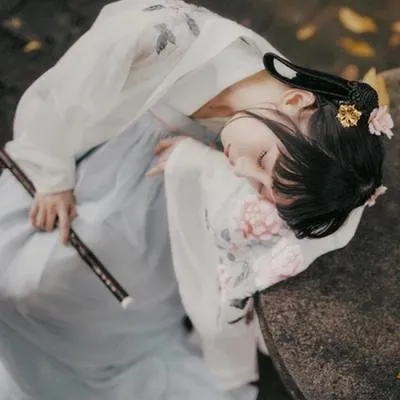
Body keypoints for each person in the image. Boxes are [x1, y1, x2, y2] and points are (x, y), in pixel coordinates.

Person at [0, 0, 391, 399]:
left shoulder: (288, 134)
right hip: (95, 161)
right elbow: (69, 91)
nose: (241, 171)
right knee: (27, 279)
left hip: (158, 200)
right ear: (293, 102)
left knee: (112, 301)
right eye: (261, 160)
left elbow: (324, 218)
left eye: (262, 188)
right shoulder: (168, 36)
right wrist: (52, 175)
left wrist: (203, 164)